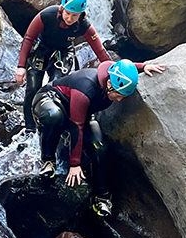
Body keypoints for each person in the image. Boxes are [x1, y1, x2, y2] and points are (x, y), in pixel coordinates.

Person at [31, 57, 164, 216]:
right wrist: (75, 164)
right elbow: (76, 126)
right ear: (109, 84)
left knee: (99, 147)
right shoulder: (86, 88)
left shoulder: (113, 75)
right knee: (53, 116)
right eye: (118, 94)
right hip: (52, 100)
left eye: (123, 96)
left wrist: (145, 66)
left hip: (83, 113)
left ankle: (102, 198)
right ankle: (48, 160)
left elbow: (126, 67)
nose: (120, 100)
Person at [14, 0, 111, 130]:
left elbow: (99, 50)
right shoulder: (47, 15)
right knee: (33, 87)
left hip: (63, 53)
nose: (70, 18)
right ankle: (29, 126)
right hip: (41, 49)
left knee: (56, 87)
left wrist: (113, 70)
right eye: (68, 13)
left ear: (81, 14)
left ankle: (53, 123)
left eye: (75, 15)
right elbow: (29, 38)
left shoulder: (84, 25)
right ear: (62, 8)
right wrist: (21, 67)